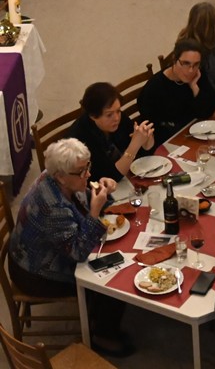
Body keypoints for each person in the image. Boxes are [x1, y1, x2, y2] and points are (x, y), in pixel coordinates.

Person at [8, 139, 131, 355]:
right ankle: (102, 336)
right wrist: (95, 212)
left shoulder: (59, 178)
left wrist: (104, 193)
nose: (88, 175)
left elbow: (80, 203)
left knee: (114, 260)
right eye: (81, 172)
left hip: (43, 253)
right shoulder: (51, 206)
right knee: (111, 276)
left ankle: (99, 318)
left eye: (88, 167)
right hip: (36, 273)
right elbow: (78, 253)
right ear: (60, 176)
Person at [138, 38, 215, 146]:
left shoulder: (197, 75)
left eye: (196, 64)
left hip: (194, 135)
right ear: (174, 60)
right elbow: (151, 130)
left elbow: (210, 109)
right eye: (186, 63)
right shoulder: (155, 88)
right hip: (170, 143)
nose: (191, 70)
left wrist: (194, 87)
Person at [67, 82, 155, 182]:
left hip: (127, 176)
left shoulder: (118, 118)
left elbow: (144, 152)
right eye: (109, 115)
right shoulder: (81, 140)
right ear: (93, 116)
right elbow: (112, 177)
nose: (116, 118)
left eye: (118, 111)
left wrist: (146, 141)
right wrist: (135, 144)